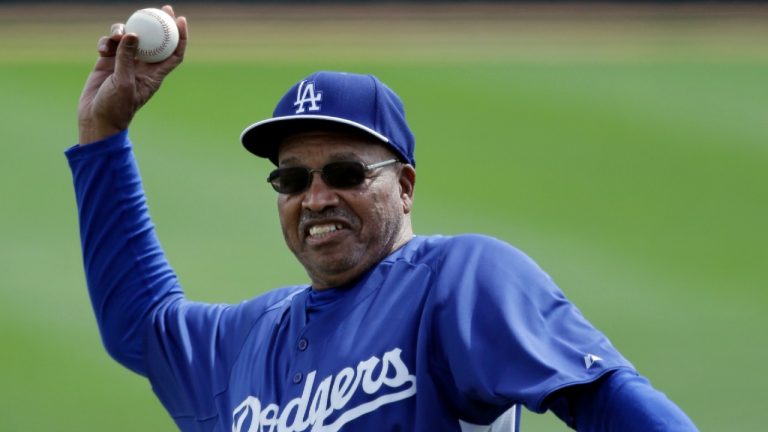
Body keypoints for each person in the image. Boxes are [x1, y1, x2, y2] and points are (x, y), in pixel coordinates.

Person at [67, 6, 698, 432]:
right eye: (291, 179)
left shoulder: (457, 281)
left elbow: (607, 396)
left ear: (405, 186)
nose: (315, 198)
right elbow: (140, 325)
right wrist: (104, 132)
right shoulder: (246, 339)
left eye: (344, 174)